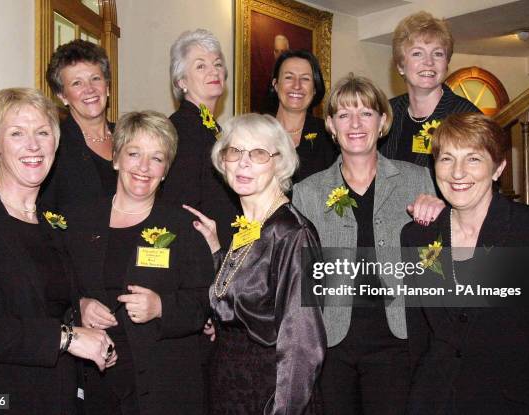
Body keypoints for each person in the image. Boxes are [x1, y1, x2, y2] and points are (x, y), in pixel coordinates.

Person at [0, 88, 116, 414]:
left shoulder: (53, 223)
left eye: (43, 132)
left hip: (55, 399)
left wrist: (82, 309)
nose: (33, 144)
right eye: (17, 133)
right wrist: (66, 338)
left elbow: (43, 300)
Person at [292, 74, 443, 415]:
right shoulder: (307, 192)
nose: (356, 124)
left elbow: (438, 262)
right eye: (344, 114)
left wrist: (439, 217)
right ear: (331, 125)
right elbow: (302, 279)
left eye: (366, 113)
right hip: (331, 344)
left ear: (383, 121)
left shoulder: (417, 180)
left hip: (397, 340)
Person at [62, 110, 214, 415]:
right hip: (95, 383)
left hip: (164, 386)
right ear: (116, 159)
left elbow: (204, 304)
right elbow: (54, 293)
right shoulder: (78, 221)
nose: (144, 167)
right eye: (134, 154)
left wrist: (161, 307)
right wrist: (79, 307)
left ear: (166, 169)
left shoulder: (182, 225)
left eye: (157, 158)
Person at [401, 113, 529, 414]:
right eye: (447, 158)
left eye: (473, 159)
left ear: (498, 168)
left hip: (515, 401)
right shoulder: (417, 236)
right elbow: (419, 335)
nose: (457, 173)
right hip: (437, 400)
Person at [185, 113, 325, 414]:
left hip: (270, 392)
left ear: (280, 162)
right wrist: (215, 250)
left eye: (259, 153)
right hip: (231, 387)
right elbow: (244, 292)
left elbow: (302, 345)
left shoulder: (293, 233)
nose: (242, 163)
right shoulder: (250, 225)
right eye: (234, 152)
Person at [162, 28, 240, 247]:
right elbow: (180, 206)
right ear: (181, 82)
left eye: (217, 64)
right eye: (200, 66)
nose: (213, 71)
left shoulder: (213, 128)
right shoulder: (180, 128)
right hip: (199, 255)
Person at [379, 11, 479, 169]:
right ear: (400, 66)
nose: (429, 62)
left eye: (438, 54)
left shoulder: (467, 117)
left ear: (446, 64)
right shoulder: (386, 113)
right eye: (417, 53)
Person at [41, 39, 116, 209]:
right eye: (77, 83)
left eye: (95, 79)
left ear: (107, 86)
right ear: (62, 96)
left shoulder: (130, 137)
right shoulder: (53, 146)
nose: (89, 89)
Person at [271, 50, 338, 184]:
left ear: (314, 89)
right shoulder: (255, 131)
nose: (297, 85)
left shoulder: (330, 135)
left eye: (305, 79)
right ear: (276, 84)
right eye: (289, 77)